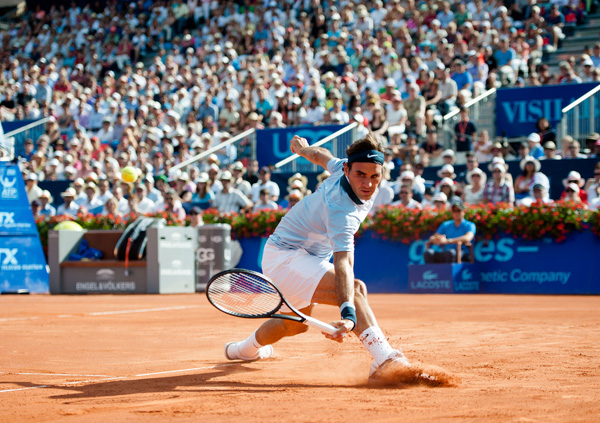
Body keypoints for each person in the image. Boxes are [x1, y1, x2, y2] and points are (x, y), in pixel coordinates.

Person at [224, 133, 417, 384]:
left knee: (294, 325)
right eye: (360, 175)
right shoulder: (341, 210)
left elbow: (321, 156)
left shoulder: (341, 168)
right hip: (285, 256)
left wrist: (303, 149)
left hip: (303, 257)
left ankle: (243, 350)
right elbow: (344, 264)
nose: (368, 183)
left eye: (374, 176)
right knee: (356, 290)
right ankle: (385, 359)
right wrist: (348, 314)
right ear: (347, 170)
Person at [424, 199, 475, 263]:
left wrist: (448, 241)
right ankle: (430, 272)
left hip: (462, 253)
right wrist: (437, 239)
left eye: (458, 211)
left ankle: (448, 272)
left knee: (451, 253)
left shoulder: (469, 225)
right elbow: (432, 237)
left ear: (463, 212)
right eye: (454, 211)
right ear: (452, 213)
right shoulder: (446, 224)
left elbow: (467, 238)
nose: (456, 213)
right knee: (428, 253)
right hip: (447, 253)